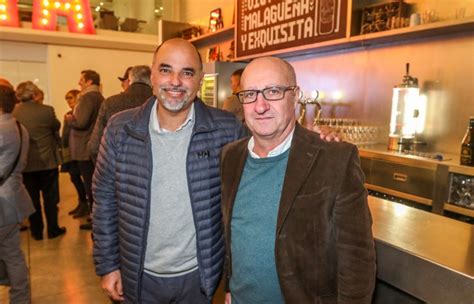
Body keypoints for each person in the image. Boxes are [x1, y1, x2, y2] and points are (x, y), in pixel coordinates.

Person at [92, 38, 247, 303]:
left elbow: (249, 196)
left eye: (187, 72)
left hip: (199, 278)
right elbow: (104, 200)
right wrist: (107, 265)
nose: (175, 81)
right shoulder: (120, 129)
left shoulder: (227, 129)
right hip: (138, 276)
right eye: (166, 70)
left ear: (199, 79)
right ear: (151, 75)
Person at [220, 57, 376, 303]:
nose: (260, 106)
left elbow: (357, 259)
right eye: (250, 94)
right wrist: (229, 285)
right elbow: (234, 234)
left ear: (295, 95)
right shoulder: (230, 156)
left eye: (272, 91)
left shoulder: (334, 158)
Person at [13, 81, 65, 240]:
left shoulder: (14, 112)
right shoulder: (47, 111)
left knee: (32, 199)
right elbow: (56, 126)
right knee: (50, 198)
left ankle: (36, 232)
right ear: (34, 94)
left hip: (26, 163)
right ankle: (53, 230)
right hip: (47, 161)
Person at [0, 84, 35, 304]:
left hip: (2, 201)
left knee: (12, 254)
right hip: (14, 198)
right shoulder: (20, 127)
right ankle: (21, 299)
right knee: (13, 253)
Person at [88, 65, 153, 162]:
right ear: (152, 80)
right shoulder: (160, 104)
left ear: (129, 80)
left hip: (116, 167)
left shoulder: (110, 103)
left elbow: (94, 146)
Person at [65, 69, 104, 230]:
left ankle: (95, 218)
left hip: (85, 148)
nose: (79, 83)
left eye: (81, 80)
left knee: (90, 186)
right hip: (91, 146)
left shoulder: (88, 98)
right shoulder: (99, 97)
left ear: (89, 82)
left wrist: (69, 119)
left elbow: (81, 122)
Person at [61, 89, 88, 218]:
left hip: (79, 151)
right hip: (70, 151)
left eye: (71, 98)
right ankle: (82, 202)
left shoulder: (79, 114)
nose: (69, 101)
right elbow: (65, 133)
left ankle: (85, 204)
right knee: (74, 178)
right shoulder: (68, 114)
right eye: (67, 99)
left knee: (80, 178)